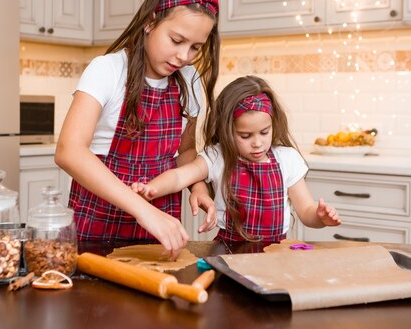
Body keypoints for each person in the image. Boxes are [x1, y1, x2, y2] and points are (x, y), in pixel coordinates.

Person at [55, 0, 220, 258]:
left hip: (159, 230)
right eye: (176, 40)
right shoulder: (108, 70)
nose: (184, 56)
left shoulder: (188, 81)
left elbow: (186, 149)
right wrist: (144, 211)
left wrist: (198, 186)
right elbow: (69, 151)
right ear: (150, 22)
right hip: (98, 228)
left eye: (195, 47)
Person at [131, 75, 341, 243]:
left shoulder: (288, 159)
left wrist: (321, 218)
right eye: (245, 136)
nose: (257, 143)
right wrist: (151, 189)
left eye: (264, 132)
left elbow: (306, 212)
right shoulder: (218, 156)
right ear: (227, 130)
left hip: (276, 255)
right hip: (228, 250)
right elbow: (179, 177)